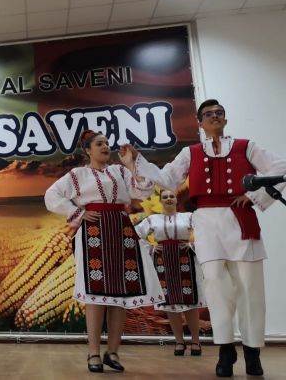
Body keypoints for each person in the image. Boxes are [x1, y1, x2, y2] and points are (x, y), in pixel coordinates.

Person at [122, 99, 286, 377]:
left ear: (225, 119)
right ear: (200, 123)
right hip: (207, 224)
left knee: (250, 289)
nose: (214, 116)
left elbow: (280, 167)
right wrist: (138, 160)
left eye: (219, 113)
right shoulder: (191, 152)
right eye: (208, 114)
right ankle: (225, 350)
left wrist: (254, 196)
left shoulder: (246, 146)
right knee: (216, 288)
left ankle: (252, 352)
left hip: (241, 220)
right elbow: (167, 178)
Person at [45, 130, 163, 373]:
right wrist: (78, 213)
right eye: (99, 143)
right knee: (95, 292)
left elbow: (143, 191)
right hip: (94, 232)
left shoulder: (120, 171)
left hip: (121, 230)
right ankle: (93, 353)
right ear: (88, 150)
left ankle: (113, 352)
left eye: (107, 143)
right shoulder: (77, 175)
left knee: (120, 293)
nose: (105, 146)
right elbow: (51, 196)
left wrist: (131, 165)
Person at [134, 190, 205, 356]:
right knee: (170, 304)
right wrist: (150, 248)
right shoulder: (153, 219)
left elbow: (206, 231)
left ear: (176, 200)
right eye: (165, 197)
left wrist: (193, 245)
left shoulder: (188, 217)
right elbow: (135, 234)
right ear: (160, 201)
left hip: (186, 260)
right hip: (163, 262)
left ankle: (196, 341)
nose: (168, 199)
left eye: (171, 196)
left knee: (190, 303)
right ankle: (179, 342)